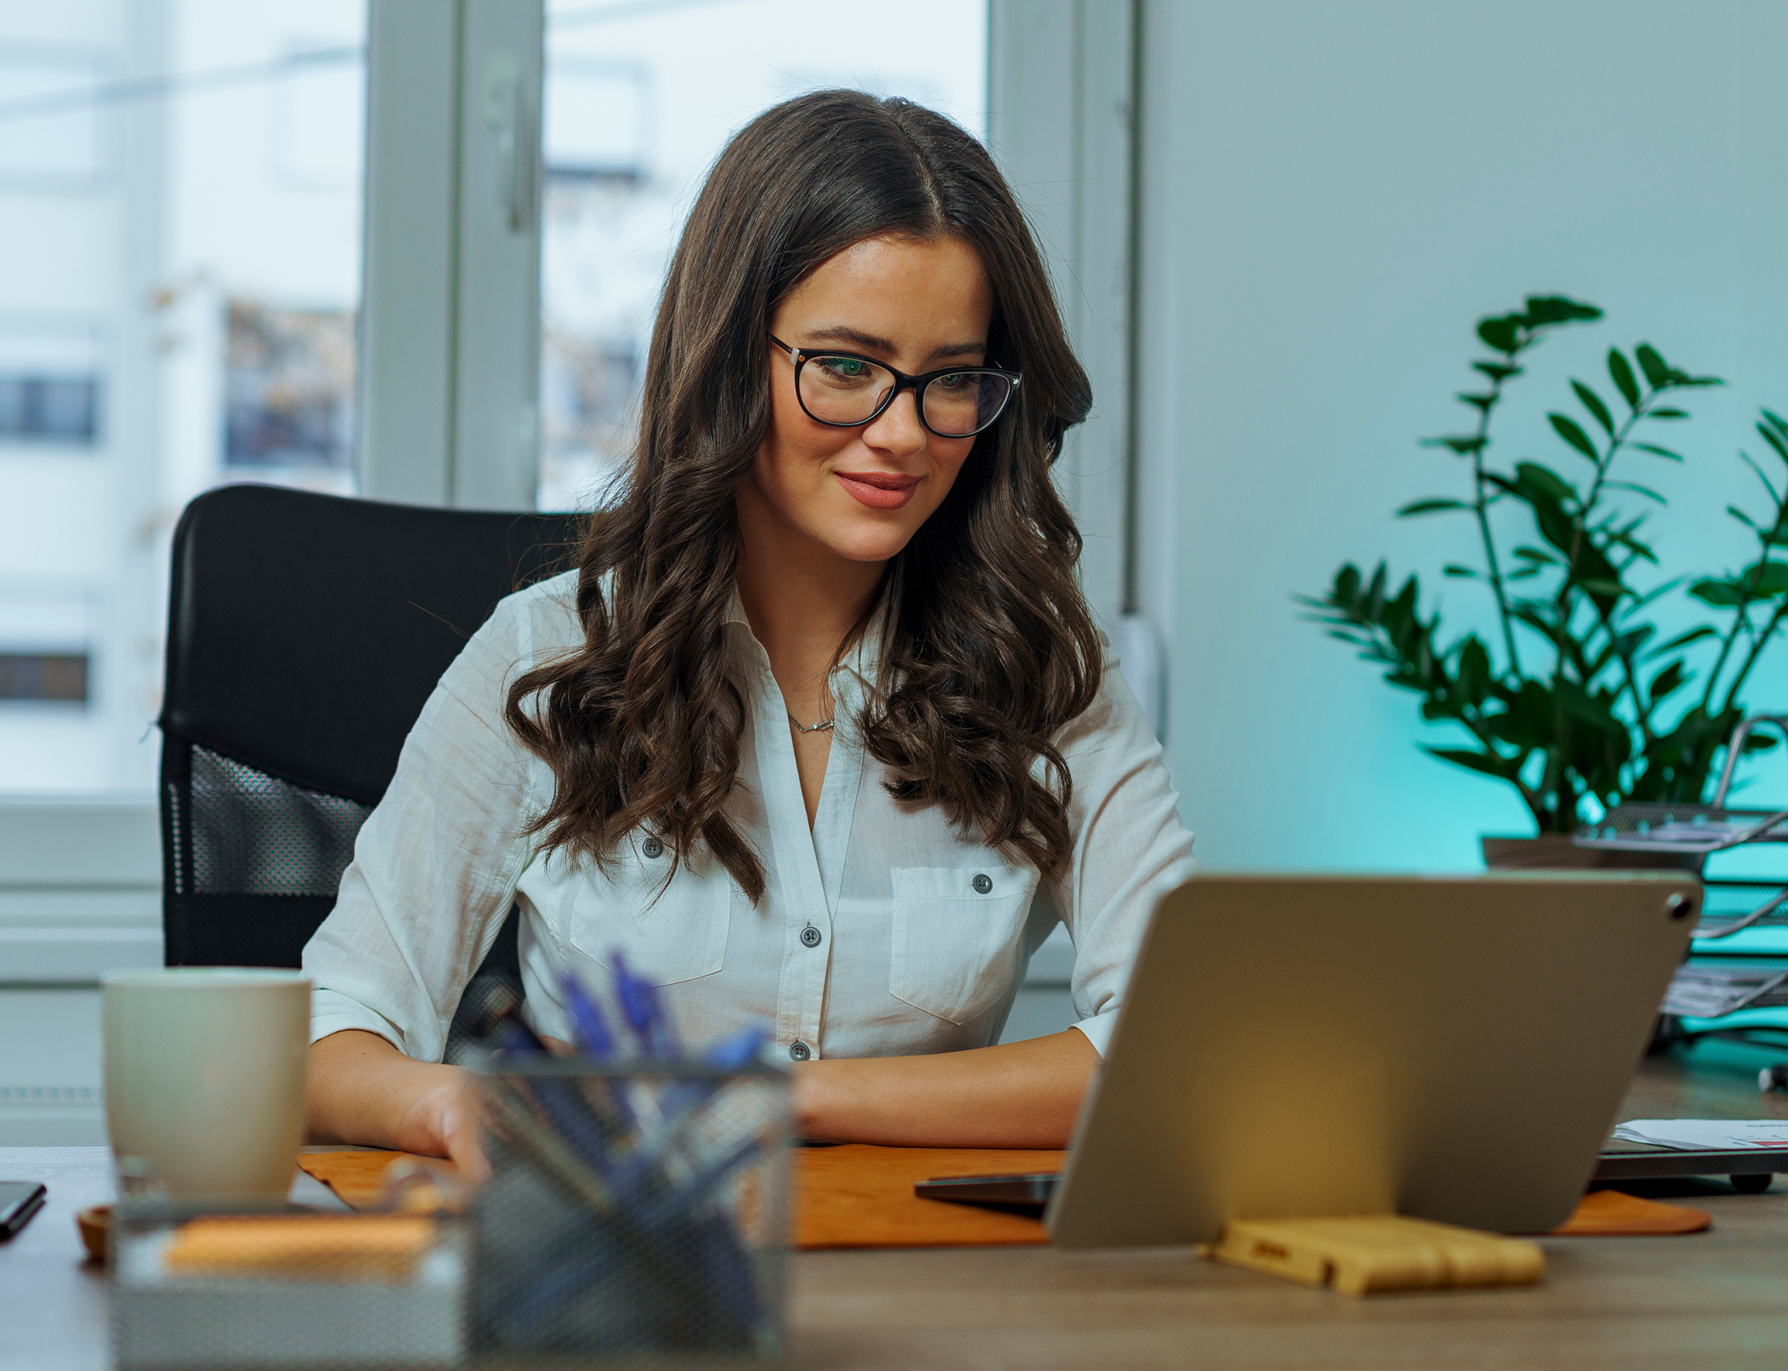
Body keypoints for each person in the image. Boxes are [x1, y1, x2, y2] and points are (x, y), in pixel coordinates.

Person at [302, 90, 1194, 1174]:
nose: (901, 434)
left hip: (926, 1283)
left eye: (952, 381)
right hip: (621, 1281)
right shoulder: (548, 657)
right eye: (846, 369)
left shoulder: (1046, 674)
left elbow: (1171, 1048)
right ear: (729, 359)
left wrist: (791, 1099)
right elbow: (333, 1031)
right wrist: (453, 1108)